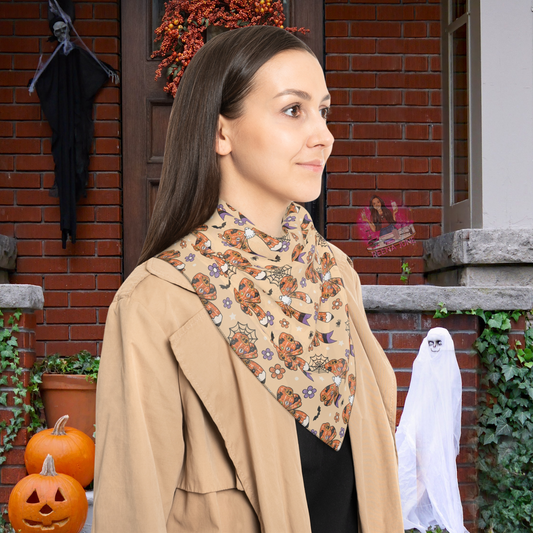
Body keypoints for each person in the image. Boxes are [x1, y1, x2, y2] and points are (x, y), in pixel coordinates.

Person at [92, 25, 403, 533]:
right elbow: (132, 513)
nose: (324, 135)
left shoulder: (335, 274)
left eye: (323, 111)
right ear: (222, 133)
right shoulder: (156, 303)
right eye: (293, 109)